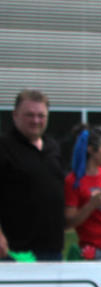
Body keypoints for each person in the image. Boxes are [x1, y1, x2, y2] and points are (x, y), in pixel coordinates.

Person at [0, 90, 64, 260]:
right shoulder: (4, 147)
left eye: (41, 115)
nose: (36, 120)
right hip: (15, 253)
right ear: (15, 115)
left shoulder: (53, 147)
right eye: (29, 115)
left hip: (52, 251)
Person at [64, 123, 101, 259]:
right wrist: (91, 205)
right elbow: (69, 223)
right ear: (91, 150)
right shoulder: (74, 181)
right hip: (94, 252)